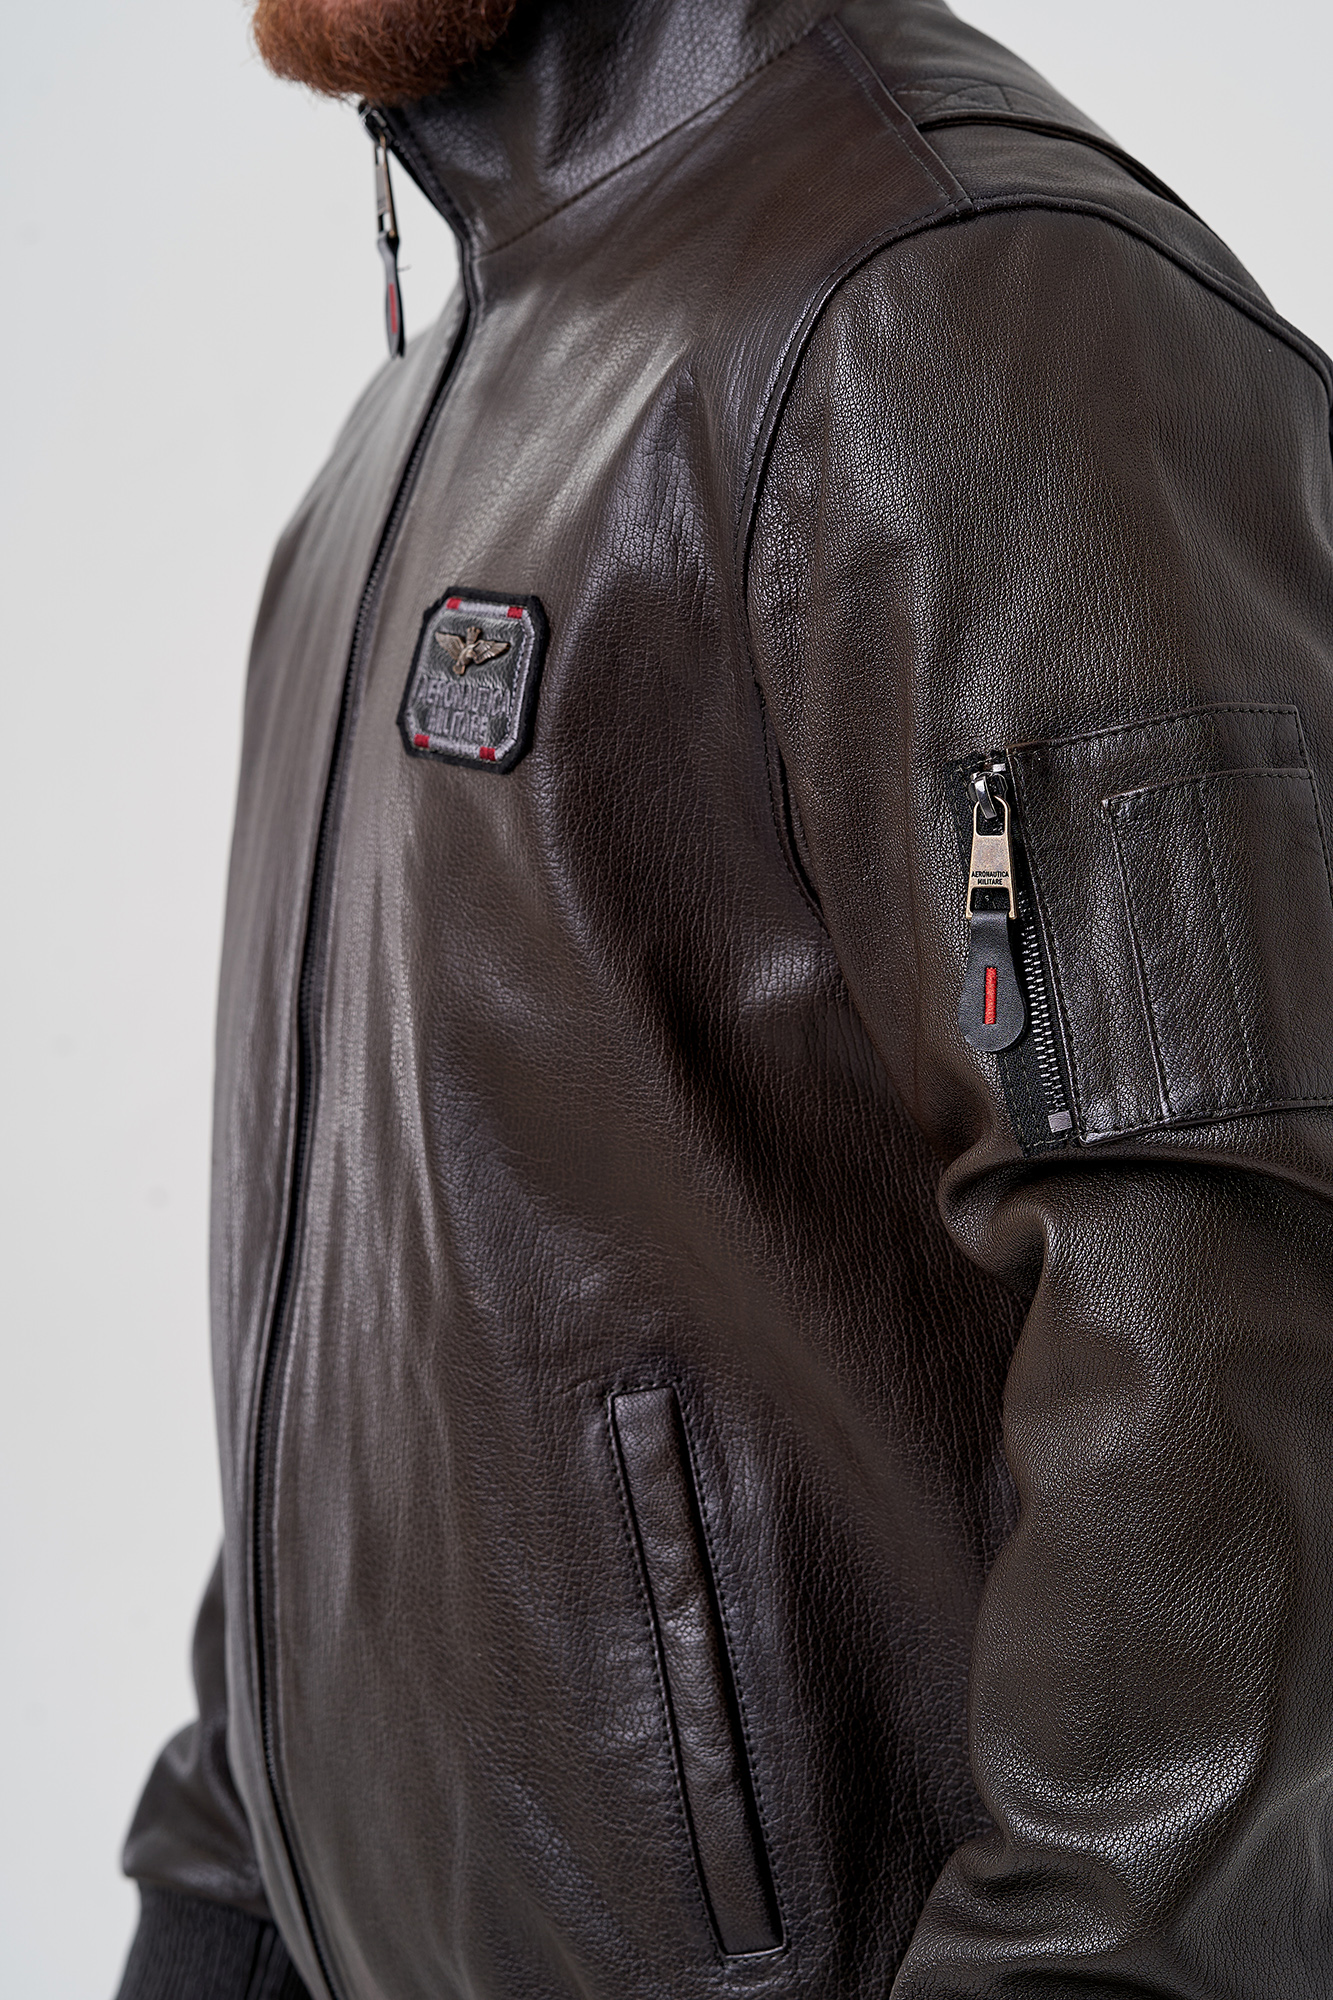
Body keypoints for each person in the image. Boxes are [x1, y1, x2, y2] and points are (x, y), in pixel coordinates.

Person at [113, 0, 1333, 1995]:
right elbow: (357, 1333)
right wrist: (215, 1896)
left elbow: (1233, 1362)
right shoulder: (402, 436)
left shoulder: (952, 307)